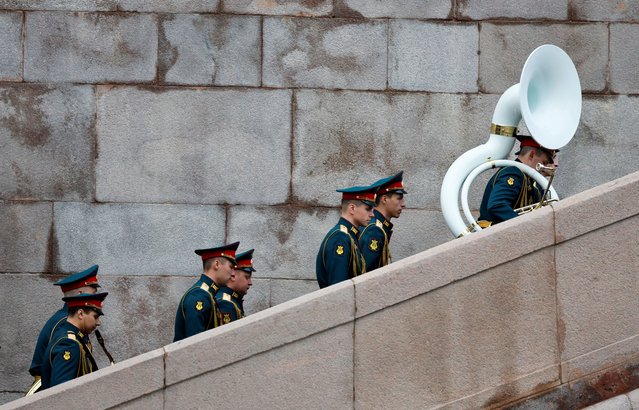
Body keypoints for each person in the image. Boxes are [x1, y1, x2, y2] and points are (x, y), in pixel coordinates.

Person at [28, 265, 101, 393]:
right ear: (80, 294)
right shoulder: (64, 322)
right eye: (93, 293)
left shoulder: (70, 320)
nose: (96, 298)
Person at [478, 134, 557, 226]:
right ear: (531, 155)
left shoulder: (533, 181)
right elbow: (497, 205)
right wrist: (525, 225)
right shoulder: (513, 173)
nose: (544, 166)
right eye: (544, 162)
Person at [40, 292, 109, 390]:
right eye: (96, 317)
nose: (98, 323)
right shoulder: (69, 344)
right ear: (80, 314)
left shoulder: (70, 335)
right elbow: (60, 392)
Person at [173, 242, 239, 342]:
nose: (233, 273)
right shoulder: (199, 296)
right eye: (231, 267)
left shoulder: (208, 294)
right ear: (217, 264)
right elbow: (195, 344)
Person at [316, 184, 377, 289]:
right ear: (352, 208)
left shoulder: (349, 235)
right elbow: (338, 288)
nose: (372, 215)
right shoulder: (340, 238)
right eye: (368, 209)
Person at [359, 171, 407, 271]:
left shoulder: (378, 225)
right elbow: (366, 274)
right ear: (384, 199)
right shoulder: (374, 230)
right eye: (399, 199)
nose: (403, 204)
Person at [217, 249, 255, 325]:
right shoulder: (226, 303)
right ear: (233, 275)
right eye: (247, 277)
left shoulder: (233, 299)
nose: (250, 283)